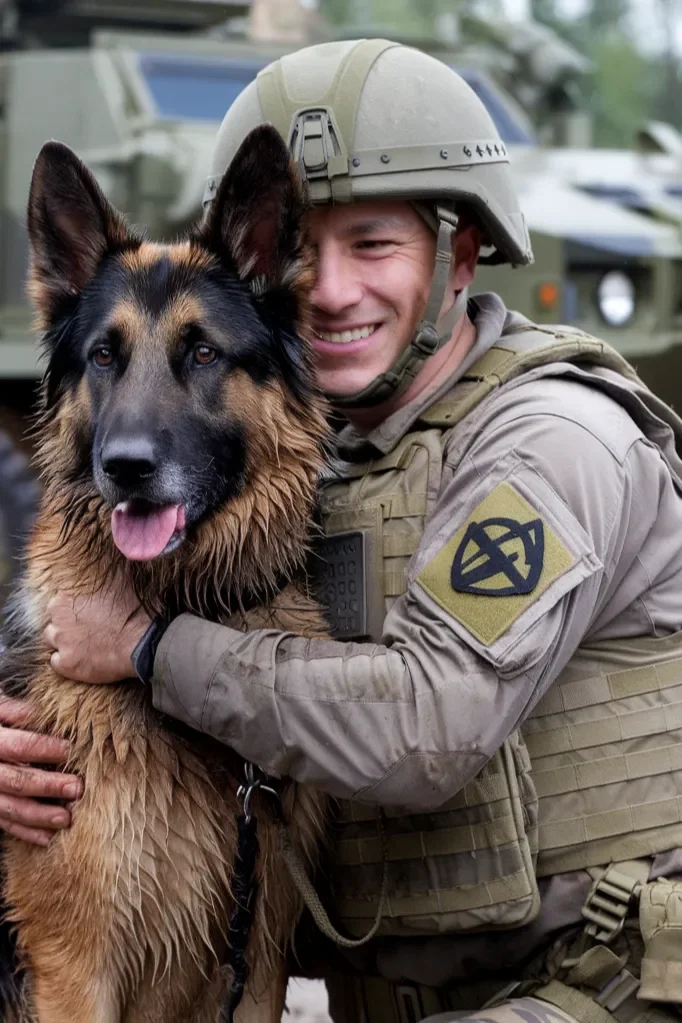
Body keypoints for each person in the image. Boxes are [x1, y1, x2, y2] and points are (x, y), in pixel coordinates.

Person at [3, 38, 682, 1023]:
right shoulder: (307, 461)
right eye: (299, 250)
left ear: (454, 256)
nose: (324, 291)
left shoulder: (551, 440)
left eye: (372, 245)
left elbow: (428, 727)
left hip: (589, 983)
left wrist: (148, 648)